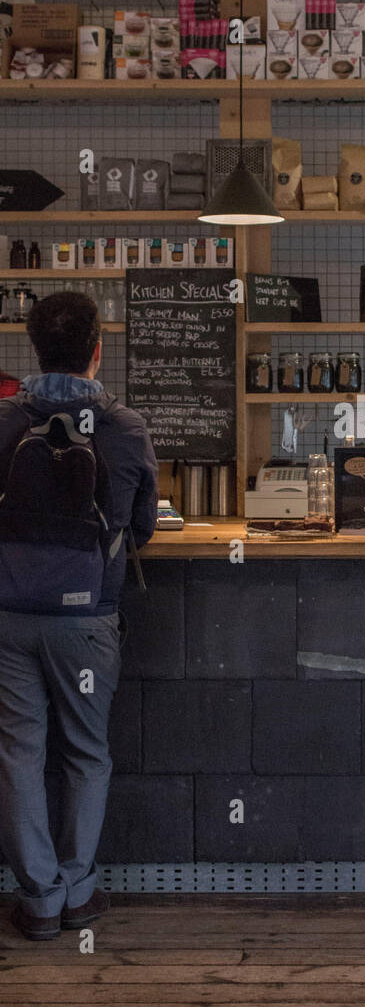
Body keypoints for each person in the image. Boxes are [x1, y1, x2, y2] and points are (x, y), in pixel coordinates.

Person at [0, 292, 158, 940]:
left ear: (32, 347)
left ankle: (38, 900)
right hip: (87, 615)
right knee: (86, 754)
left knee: (18, 754)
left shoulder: (4, 421)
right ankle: (79, 890)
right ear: (98, 348)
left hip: (8, 614)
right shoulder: (123, 427)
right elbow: (142, 527)